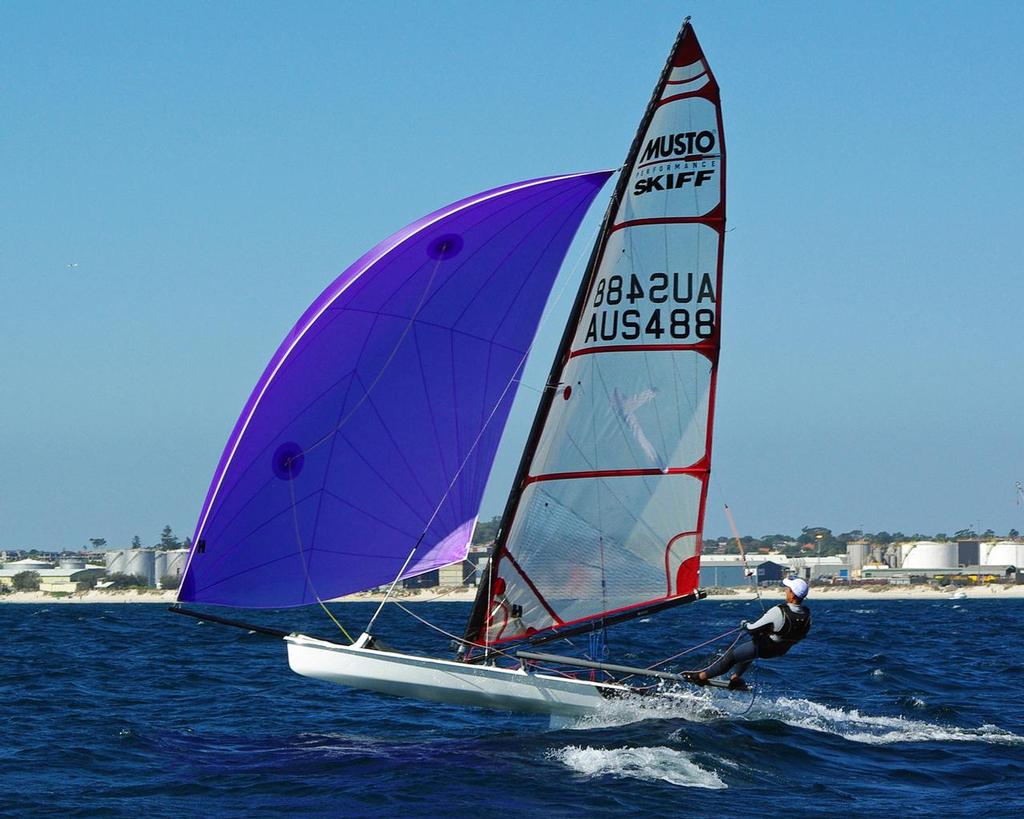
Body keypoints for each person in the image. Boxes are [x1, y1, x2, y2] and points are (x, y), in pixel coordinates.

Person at [685, 576, 812, 690]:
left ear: (793, 595)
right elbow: (799, 634)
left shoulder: (779, 611)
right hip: (780, 650)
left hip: (764, 648)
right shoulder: (807, 615)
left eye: (788, 589)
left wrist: (745, 625)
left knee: (731, 657)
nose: (785, 591)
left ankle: (701, 677)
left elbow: (752, 629)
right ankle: (735, 678)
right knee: (748, 652)